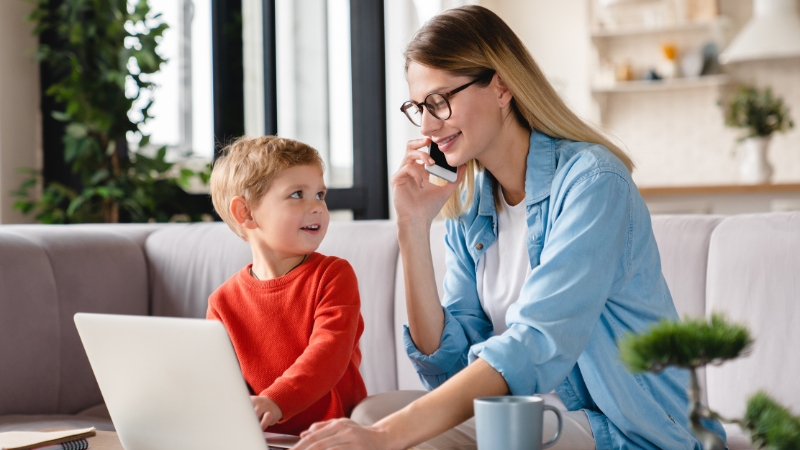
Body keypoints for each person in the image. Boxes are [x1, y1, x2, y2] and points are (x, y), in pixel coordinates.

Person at [294, 5, 725, 450]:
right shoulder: (473, 209)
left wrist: (385, 436)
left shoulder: (593, 182)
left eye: (440, 101)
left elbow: (537, 340)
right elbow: (449, 369)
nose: (427, 124)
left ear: (501, 87)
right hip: (524, 416)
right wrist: (413, 226)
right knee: (371, 413)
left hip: (624, 426)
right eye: (419, 107)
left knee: (394, 432)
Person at [207, 136, 368, 436]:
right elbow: (222, 383)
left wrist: (275, 401)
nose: (317, 207)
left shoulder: (333, 275)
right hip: (261, 438)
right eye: (297, 194)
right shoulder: (222, 303)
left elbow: (327, 355)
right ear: (246, 213)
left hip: (332, 436)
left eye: (320, 194)